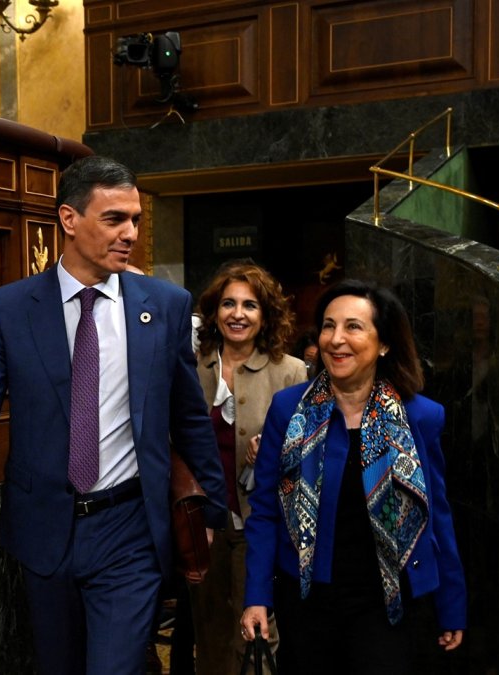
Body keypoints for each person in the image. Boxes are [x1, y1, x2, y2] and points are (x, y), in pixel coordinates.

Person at [0, 155, 229, 675]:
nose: (129, 233)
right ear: (68, 220)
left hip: (131, 530)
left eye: (135, 220)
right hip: (44, 532)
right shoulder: (9, 311)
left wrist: (209, 511)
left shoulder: (165, 306)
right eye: (114, 219)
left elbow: (190, 417)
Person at [240, 279, 467, 674]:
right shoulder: (288, 410)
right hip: (308, 599)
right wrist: (257, 595)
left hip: (390, 602)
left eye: (353, 327)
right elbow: (264, 511)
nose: (336, 339)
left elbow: (437, 516)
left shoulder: (420, 417)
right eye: (328, 326)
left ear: (384, 343)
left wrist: (452, 605)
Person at [191, 261, 307, 675]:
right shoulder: (190, 365)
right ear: (214, 312)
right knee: (209, 635)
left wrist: (278, 451)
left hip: (258, 526)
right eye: (228, 304)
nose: (237, 314)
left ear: (266, 315)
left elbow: (309, 458)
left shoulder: (291, 372)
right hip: (200, 527)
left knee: (256, 634)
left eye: (250, 305)